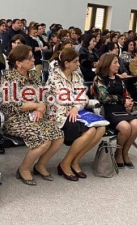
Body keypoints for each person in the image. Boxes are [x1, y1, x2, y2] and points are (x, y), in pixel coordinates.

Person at [0, 45, 64, 185]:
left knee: (58, 136)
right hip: (15, 119)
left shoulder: (33, 75)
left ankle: (40, 165)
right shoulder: (8, 78)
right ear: (18, 63)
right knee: (43, 140)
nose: (33, 60)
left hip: (36, 115)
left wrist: (40, 108)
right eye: (29, 58)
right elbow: (11, 104)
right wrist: (36, 106)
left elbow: (43, 95)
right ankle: (23, 168)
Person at [47, 48, 105, 181]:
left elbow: (83, 98)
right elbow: (60, 100)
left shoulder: (77, 76)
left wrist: (75, 107)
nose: (78, 64)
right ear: (66, 63)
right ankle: (65, 163)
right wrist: (75, 104)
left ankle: (75, 161)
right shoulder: (54, 76)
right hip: (59, 114)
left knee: (101, 128)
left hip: (75, 112)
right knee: (90, 131)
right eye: (75, 61)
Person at [94, 53, 137, 168]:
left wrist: (129, 101)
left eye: (118, 62)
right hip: (107, 110)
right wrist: (123, 100)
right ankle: (118, 153)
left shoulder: (119, 79)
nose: (118, 65)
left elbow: (126, 93)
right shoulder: (99, 79)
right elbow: (104, 97)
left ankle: (125, 152)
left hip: (121, 109)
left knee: (136, 124)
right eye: (115, 62)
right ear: (107, 64)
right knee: (125, 127)